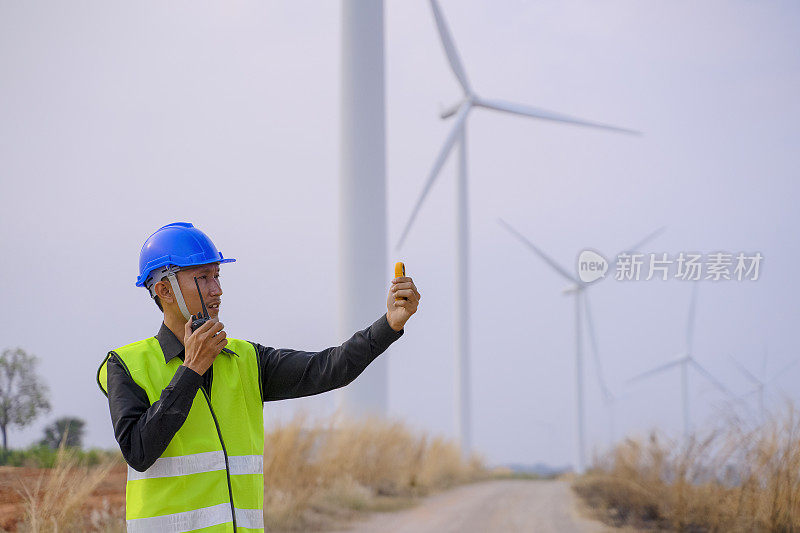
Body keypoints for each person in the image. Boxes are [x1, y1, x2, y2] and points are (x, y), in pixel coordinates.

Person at [97, 222, 420, 532]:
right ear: (165, 290)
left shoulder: (245, 359)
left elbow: (329, 368)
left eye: (218, 276)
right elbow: (138, 452)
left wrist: (389, 323)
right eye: (203, 277)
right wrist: (191, 371)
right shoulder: (126, 365)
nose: (217, 290)